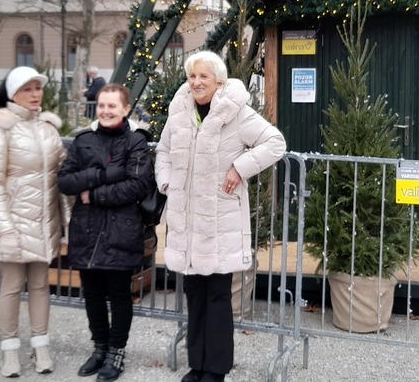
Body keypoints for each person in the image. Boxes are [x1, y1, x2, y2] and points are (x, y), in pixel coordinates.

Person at [155, 51, 286, 382]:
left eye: (204, 76)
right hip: (187, 222)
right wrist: (167, 182)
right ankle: (196, 365)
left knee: (217, 296)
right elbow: (163, 152)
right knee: (195, 295)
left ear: (219, 81)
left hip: (219, 221)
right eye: (192, 76)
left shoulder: (235, 111)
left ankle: (215, 369)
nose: (197, 82)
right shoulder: (179, 112)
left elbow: (275, 142)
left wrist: (240, 168)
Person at [58, 83, 154, 381]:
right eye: (101, 105)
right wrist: (103, 175)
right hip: (87, 229)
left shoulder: (136, 141)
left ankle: (116, 351)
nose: (105, 111)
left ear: (126, 109)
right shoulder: (83, 140)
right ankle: (99, 347)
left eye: (112, 106)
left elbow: (136, 185)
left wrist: (94, 194)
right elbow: (65, 181)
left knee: (119, 294)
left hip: (121, 229)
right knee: (93, 294)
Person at [0, 66, 67, 377]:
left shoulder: (48, 128)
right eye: (27, 89)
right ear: (13, 93)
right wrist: (5, 229)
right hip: (13, 222)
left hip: (43, 222)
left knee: (41, 285)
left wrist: (67, 222)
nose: (35, 94)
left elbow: (61, 177)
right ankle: (10, 350)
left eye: (37, 88)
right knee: (12, 286)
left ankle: (41, 346)